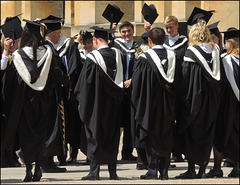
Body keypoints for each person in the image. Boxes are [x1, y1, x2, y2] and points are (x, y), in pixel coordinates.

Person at [3, 19, 68, 182]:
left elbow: (11, 82)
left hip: (25, 104)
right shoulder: (47, 51)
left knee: (26, 136)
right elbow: (55, 75)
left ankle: (28, 171)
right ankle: (38, 167)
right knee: (40, 135)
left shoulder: (18, 56)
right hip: (44, 102)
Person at [74, 26, 124, 180]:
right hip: (113, 104)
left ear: (95, 40)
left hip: (95, 105)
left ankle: (94, 172)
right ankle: (112, 172)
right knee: (112, 135)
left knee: (94, 134)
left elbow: (85, 84)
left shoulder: (92, 59)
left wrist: (82, 101)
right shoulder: (117, 54)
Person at [175, 19, 221, 179]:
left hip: (193, 101)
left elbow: (186, 79)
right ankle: (202, 168)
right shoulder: (215, 52)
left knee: (191, 133)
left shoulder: (190, 53)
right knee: (207, 133)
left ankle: (191, 169)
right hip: (211, 102)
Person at [131, 27, 177, 180]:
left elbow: (137, 85)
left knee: (151, 135)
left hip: (149, 105)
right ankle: (164, 171)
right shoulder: (173, 56)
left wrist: (138, 105)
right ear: (165, 40)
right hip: (169, 104)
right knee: (166, 134)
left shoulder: (144, 59)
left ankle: (152, 170)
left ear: (149, 41)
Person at [205, 28, 239, 178]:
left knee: (219, 134)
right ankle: (237, 168)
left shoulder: (226, 60)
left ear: (229, 44)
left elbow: (225, 83)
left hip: (227, 104)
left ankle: (217, 168)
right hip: (237, 107)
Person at [39, 15, 69, 173]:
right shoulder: (50, 49)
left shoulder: (43, 47)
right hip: (52, 93)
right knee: (53, 125)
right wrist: (67, 80)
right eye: (59, 33)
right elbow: (57, 71)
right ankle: (47, 161)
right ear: (55, 34)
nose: (60, 36)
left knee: (48, 125)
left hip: (45, 92)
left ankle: (46, 160)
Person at [53, 22, 82, 166]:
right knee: (58, 123)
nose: (59, 35)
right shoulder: (48, 47)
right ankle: (60, 154)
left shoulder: (69, 45)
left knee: (72, 123)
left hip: (68, 92)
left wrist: (70, 88)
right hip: (56, 91)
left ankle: (73, 153)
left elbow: (74, 68)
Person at [163, 15, 188, 163]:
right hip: (168, 87)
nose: (168, 30)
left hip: (181, 86)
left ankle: (180, 151)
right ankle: (171, 151)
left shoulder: (184, 42)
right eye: (166, 28)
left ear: (177, 26)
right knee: (168, 121)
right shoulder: (164, 42)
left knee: (181, 119)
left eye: (171, 27)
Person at [111, 21, 137, 162]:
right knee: (116, 122)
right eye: (124, 32)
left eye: (129, 31)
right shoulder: (115, 46)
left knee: (129, 122)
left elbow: (141, 67)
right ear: (120, 33)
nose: (127, 34)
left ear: (133, 31)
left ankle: (127, 152)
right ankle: (112, 153)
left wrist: (132, 80)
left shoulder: (138, 47)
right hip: (118, 89)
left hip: (132, 90)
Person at [1, 16, 23, 168]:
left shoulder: (20, 53)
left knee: (14, 125)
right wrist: (5, 49)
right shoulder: (3, 52)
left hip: (15, 94)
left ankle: (12, 155)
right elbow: (1, 67)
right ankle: (4, 157)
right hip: (3, 96)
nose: (13, 43)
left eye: (15, 41)